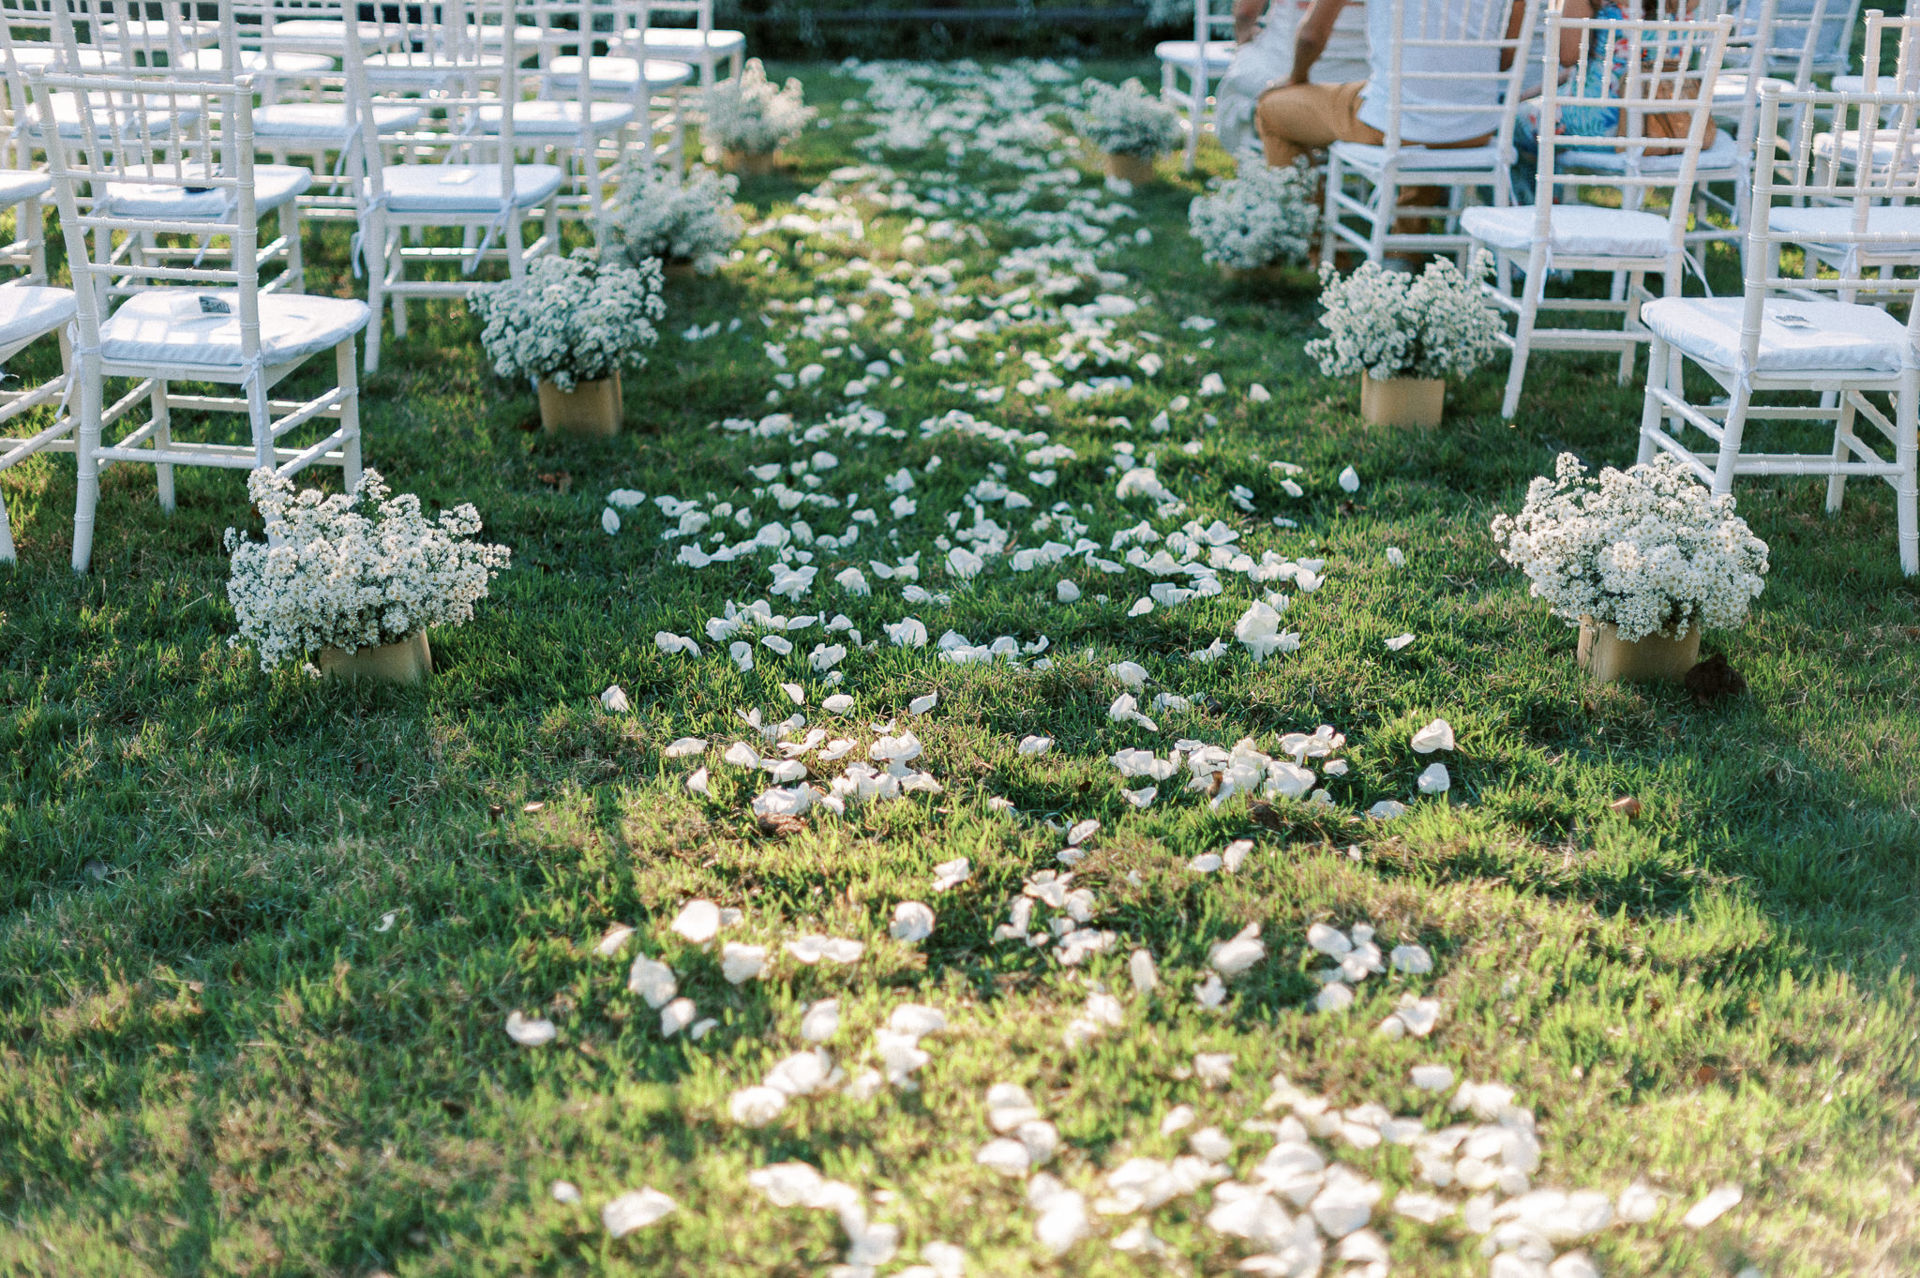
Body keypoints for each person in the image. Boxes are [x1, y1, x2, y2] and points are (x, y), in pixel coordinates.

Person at [1253, 0, 1511, 169]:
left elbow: (1311, 37)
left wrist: (1296, 78)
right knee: (1413, 111)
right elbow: (1505, 59)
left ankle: (1308, 244)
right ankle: (1407, 244)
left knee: (1271, 109)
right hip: (1474, 129)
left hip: (1396, 124)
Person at [1215, 0, 1369, 162]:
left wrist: (1244, 40)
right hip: (1361, 87)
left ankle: (1264, 165)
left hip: (1288, 72)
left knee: (1243, 69)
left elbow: (1245, 13)